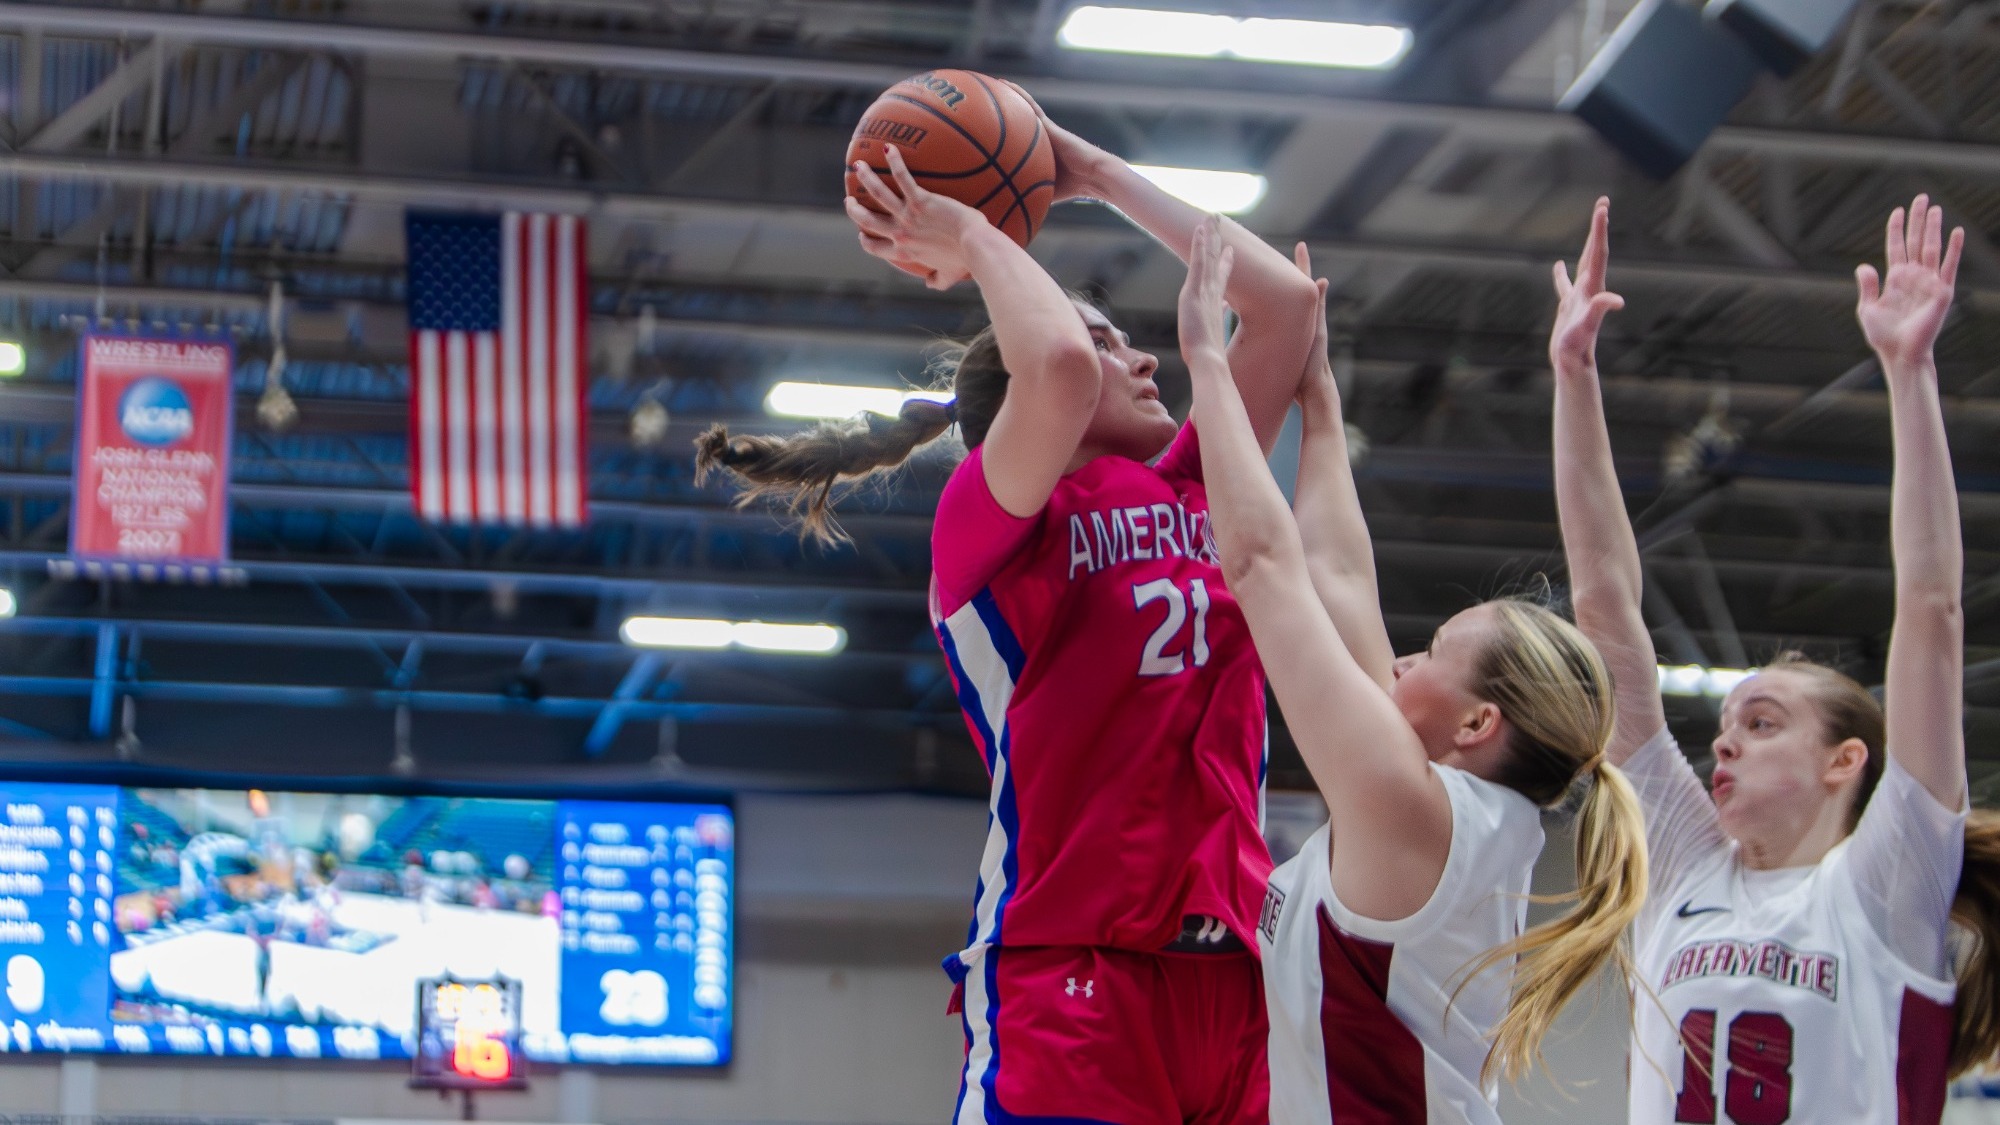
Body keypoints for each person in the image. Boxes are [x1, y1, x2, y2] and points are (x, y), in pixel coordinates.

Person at [695, 119, 1319, 1124]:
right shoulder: (987, 523)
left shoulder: (1202, 482)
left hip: (1237, 978)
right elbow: (1060, 366)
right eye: (1112, 341)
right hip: (1074, 976)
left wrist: (1093, 171)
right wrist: (977, 235)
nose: (1143, 359)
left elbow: (1285, 307)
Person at [1176, 216, 1647, 1124]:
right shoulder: (1442, 806)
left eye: (1430, 652)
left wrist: (1208, 365)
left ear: (1477, 723)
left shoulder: (1414, 808)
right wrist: (1318, 400)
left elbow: (1263, 568)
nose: (1398, 657)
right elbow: (1341, 580)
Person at [1551, 193, 2000, 1122]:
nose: (1724, 744)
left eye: (1762, 723)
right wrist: (1573, 377)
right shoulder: (1687, 870)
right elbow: (1603, 603)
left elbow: (1932, 607)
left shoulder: (1887, 881)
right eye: (1729, 725)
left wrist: (1909, 371)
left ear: (1846, 760)